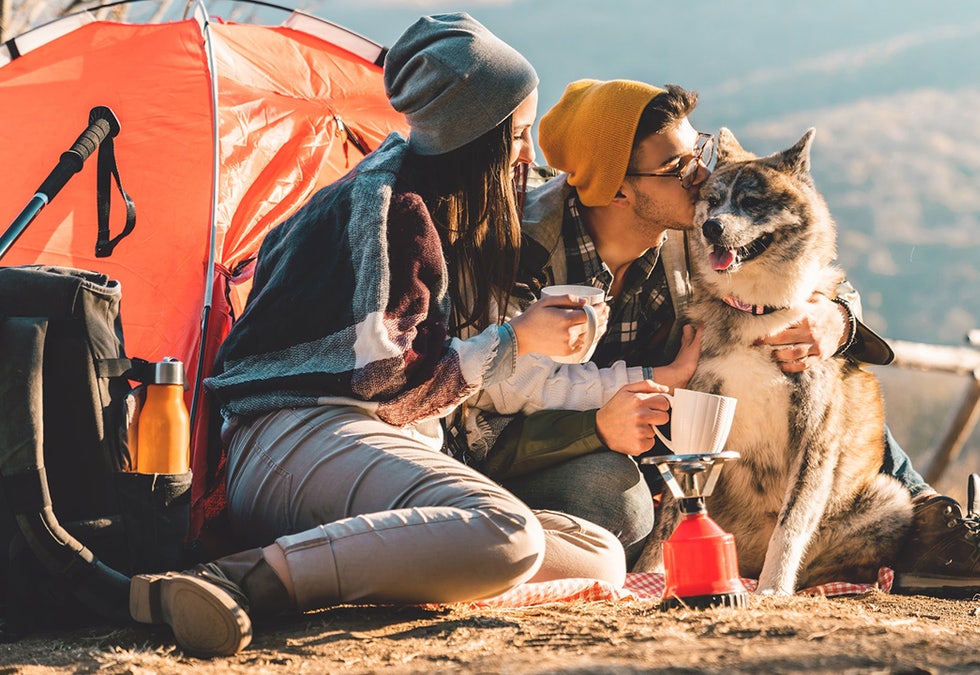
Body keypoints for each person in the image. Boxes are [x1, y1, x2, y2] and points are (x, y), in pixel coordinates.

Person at [126, 15, 627, 658]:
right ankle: (229, 579)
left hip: (361, 442)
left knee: (598, 554)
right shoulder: (388, 210)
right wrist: (517, 341)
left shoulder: (426, 199)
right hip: (293, 437)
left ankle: (343, 566)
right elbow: (381, 378)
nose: (526, 156)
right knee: (508, 533)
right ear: (477, 133)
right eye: (519, 135)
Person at [467, 79, 980, 604]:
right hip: (551, 443)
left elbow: (803, 268)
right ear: (618, 188)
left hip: (665, 425)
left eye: (697, 151)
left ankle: (935, 528)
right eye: (679, 167)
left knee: (815, 376)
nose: (705, 175)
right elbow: (480, 410)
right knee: (618, 507)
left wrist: (833, 319)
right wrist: (595, 427)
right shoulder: (520, 249)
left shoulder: (694, 227)